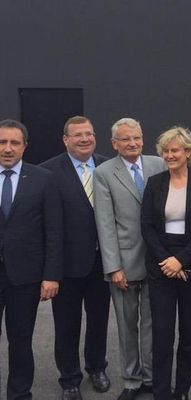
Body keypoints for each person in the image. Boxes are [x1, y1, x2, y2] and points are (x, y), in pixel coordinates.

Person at [141, 127, 191, 400]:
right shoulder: (154, 183)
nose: (170, 155)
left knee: (189, 333)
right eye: (166, 151)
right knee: (162, 334)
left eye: (175, 150)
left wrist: (182, 259)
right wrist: (167, 260)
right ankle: (161, 393)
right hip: (161, 264)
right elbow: (147, 226)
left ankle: (182, 390)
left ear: (188, 152)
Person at [40, 116, 111, 400]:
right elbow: (49, 226)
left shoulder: (108, 166)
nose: (85, 139)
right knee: (67, 324)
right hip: (67, 266)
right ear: (65, 139)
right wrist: (50, 271)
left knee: (99, 320)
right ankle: (69, 378)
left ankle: (97, 367)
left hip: (102, 263)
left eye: (89, 134)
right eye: (78, 135)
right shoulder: (48, 172)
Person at [94, 118, 165, 400]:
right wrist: (114, 267)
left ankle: (150, 377)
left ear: (143, 138)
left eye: (136, 137)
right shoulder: (103, 173)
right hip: (123, 263)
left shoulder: (159, 164)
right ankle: (132, 380)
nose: (132, 143)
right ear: (114, 144)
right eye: (125, 139)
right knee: (127, 325)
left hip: (157, 260)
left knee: (152, 324)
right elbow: (105, 224)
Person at [0, 119, 63, 400]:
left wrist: (51, 275)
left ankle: (19, 393)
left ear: (24, 146)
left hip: (24, 277)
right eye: (2, 142)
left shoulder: (42, 178)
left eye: (14, 142)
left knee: (21, 340)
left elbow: (53, 230)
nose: (7, 148)